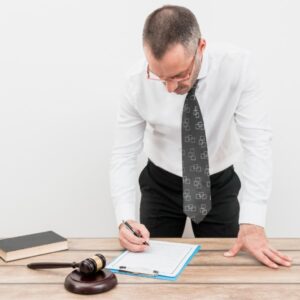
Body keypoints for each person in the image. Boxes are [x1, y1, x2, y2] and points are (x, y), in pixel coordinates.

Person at [110, 5, 292, 269]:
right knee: (150, 274)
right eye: (160, 77)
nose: (170, 88)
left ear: (201, 47)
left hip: (218, 186)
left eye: (178, 75)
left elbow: (258, 144)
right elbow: (123, 154)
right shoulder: (135, 82)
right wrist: (124, 219)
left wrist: (254, 221)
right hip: (160, 185)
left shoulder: (238, 67)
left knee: (228, 273)